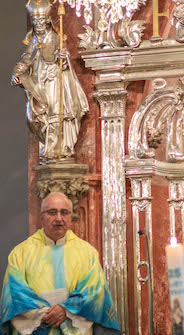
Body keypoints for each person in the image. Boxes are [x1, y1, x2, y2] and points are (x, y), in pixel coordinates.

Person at [0, 192, 120, 334]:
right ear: (41, 217)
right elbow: (15, 294)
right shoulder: (20, 253)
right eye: (52, 212)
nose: (59, 218)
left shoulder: (87, 253)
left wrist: (66, 310)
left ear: (71, 218)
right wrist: (44, 314)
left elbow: (94, 293)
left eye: (64, 213)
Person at [12, 0, 89, 162]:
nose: (38, 25)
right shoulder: (33, 40)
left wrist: (63, 57)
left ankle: (55, 149)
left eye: (41, 21)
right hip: (38, 80)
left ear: (47, 21)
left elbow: (65, 58)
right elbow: (25, 60)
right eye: (35, 22)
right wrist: (17, 73)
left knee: (55, 113)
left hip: (54, 78)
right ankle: (47, 144)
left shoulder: (55, 37)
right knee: (34, 115)